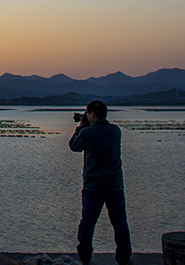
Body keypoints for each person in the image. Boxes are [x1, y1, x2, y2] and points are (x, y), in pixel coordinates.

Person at [68, 100, 132, 265]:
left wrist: (82, 125)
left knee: (88, 222)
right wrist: (86, 122)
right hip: (115, 186)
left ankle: (85, 257)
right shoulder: (115, 131)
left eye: (88, 114)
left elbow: (74, 146)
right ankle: (124, 258)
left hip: (93, 187)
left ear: (92, 115)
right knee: (119, 223)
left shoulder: (88, 133)